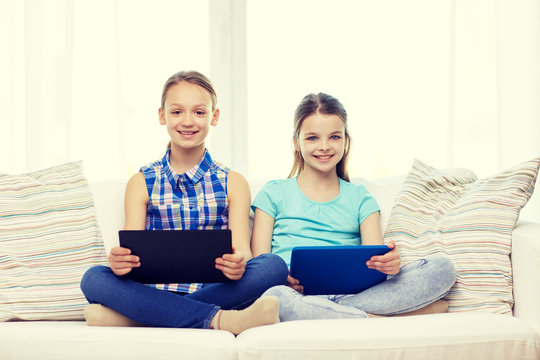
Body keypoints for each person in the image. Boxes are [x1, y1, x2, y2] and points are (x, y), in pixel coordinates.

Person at [81, 70, 288, 334]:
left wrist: (238, 263)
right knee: (93, 278)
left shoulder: (233, 181)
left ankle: (141, 316)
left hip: (213, 288)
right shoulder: (141, 181)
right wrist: (121, 263)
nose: (188, 121)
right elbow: (132, 252)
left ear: (214, 117)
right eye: (177, 112)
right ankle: (220, 319)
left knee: (273, 266)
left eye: (199, 112)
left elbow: (243, 251)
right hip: (153, 288)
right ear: (162, 115)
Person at [250, 92, 456, 321]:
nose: (324, 146)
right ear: (296, 143)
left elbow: (373, 266)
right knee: (274, 298)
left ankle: (342, 312)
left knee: (441, 268)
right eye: (312, 138)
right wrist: (281, 278)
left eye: (334, 137)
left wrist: (389, 265)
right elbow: (260, 266)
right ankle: (372, 318)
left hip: (354, 295)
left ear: (345, 141)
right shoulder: (273, 193)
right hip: (294, 295)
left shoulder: (361, 198)